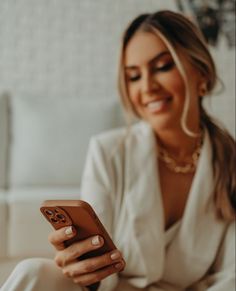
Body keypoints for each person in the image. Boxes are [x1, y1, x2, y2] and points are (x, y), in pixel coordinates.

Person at [1, 10, 235, 291]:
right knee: (33, 271)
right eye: (133, 76)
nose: (147, 87)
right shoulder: (108, 152)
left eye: (162, 67)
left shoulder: (229, 164)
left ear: (202, 74)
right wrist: (86, 268)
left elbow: (231, 277)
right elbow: (103, 276)